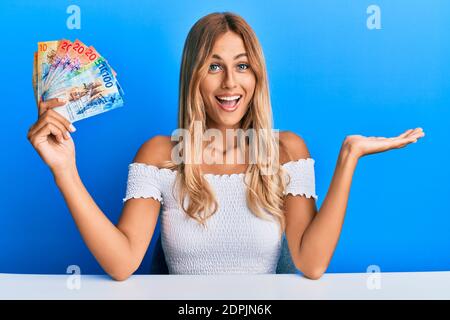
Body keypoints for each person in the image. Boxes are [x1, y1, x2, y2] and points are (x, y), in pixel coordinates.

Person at [27, 12, 425, 281]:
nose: (230, 83)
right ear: (194, 76)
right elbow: (121, 263)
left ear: (257, 75)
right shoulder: (160, 155)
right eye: (214, 66)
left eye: (242, 65)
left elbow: (312, 262)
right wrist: (64, 170)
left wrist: (348, 159)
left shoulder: (286, 150)